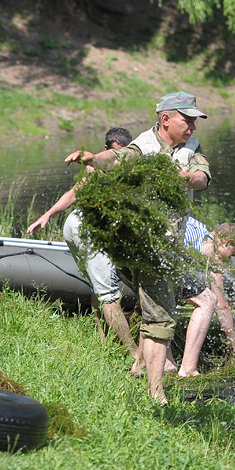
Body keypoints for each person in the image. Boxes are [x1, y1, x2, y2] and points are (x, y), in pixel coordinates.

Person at [65, 91, 210, 402]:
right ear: (166, 119)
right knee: (161, 317)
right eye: (188, 120)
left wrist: (183, 177)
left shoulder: (191, 148)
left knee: (157, 309)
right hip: (145, 246)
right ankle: (156, 395)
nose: (193, 127)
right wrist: (93, 158)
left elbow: (202, 177)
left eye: (195, 121)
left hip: (169, 247)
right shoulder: (143, 146)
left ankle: (140, 368)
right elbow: (116, 159)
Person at [27, 128, 138, 361]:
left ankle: (102, 341)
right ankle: (135, 355)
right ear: (107, 150)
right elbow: (73, 194)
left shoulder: (115, 164)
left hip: (75, 225)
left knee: (97, 287)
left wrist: (47, 215)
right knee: (109, 295)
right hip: (85, 229)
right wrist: (47, 214)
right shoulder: (95, 166)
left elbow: (74, 194)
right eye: (116, 154)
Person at [184, 218, 235, 358]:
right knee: (209, 300)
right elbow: (221, 306)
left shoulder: (198, 226)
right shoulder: (213, 252)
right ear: (227, 243)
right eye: (232, 255)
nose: (230, 260)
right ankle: (188, 367)